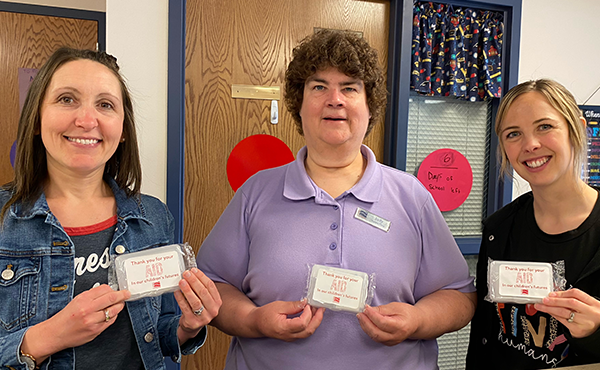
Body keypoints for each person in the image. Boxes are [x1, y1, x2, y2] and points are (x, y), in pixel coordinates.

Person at [196, 29, 476, 369]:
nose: (335, 99)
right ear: (298, 105)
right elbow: (212, 287)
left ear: (370, 106)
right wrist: (254, 321)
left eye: (349, 87)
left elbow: (459, 296)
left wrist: (417, 320)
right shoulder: (256, 193)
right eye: (318, 87)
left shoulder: (411, 196)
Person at [0, 47, 221, 370]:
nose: (87, 120)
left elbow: (159, 331)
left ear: (122, 132)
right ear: (36, 119)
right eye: (66, 99)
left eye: (105, 105)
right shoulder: (6, 220)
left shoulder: (153, 218)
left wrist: (188, 327)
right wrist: (49, 336)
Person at [466, 79, 600, 369]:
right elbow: (485, 337)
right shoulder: (499, 230)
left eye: (545, 126)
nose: (531, 145)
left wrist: (595, 332)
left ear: (576, 127)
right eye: (513, 134)